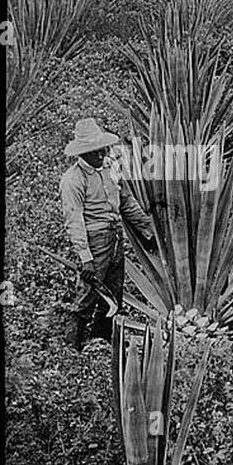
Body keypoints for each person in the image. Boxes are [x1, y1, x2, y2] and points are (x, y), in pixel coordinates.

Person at [59, 118, 155, 350]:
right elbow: (74, 220)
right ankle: (72, 349)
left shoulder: (110, 169)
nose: (101, 154)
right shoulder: (73, 180)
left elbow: (125, 201)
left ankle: (101, 341)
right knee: (88, 295)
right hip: (94, 241)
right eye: (95, 151)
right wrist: (86, 258)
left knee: (114, 292)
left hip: (114, 237)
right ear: (83, 153)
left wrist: (146, 226)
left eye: (102, 148)